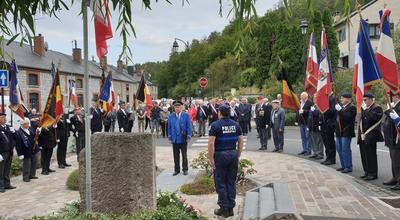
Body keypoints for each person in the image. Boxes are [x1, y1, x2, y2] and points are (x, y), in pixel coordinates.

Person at [208, 104, 244, 218]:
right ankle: (231, 208)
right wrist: (237, 155)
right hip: (233, 154)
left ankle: (224, 208)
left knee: (220, 182)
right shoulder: (236, 125)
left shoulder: (215, 125)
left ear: (220, 113)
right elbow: (241, 141)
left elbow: (211, 143)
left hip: (220, 155)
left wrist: (210, 158)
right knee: (231, 181)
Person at [358, 93, 383, 181]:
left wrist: (365, 110)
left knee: (371, 155)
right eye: (363, 100)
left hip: (371, 135)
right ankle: (367, 172)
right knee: (364, 155)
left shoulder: (377, 108)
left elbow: (373, 118)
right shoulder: (365, 108)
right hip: (363, 135)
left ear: (372, 99)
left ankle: (373, 173)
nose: (364, 102)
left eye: (366, 100)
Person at [168, 100, 192, 176]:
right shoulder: (171, 116)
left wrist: (188, 135)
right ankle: (176, 170)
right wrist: (169, 136)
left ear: (181, 108)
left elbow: (189, 126)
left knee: (184, 155)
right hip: (174, 139)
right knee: (175, 155)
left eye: (178, 107)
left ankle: (185, 169)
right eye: (175, 107)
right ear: (174, 108)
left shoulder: (186, 115)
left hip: (183, 138)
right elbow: (169, 127)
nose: (177, 108)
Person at [335, 93, 356, 174]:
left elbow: (347, 117)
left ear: (348, 99)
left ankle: (348, 166)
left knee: (345, 149)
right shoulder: (342, 107)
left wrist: (340, 110)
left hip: (346, 131)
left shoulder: (352, 107)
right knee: (339, 149)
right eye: (341, 98)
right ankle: (343, 165)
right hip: (339, 131)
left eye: (343, 98)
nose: (341, 100)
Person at [384, 93, 400, 190]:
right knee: (393, 160)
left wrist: (397, 117)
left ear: (397, 96)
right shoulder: (393, 106)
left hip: (397, 138)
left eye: (392, 96)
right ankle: (395, 177)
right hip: (391, 137)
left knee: (398, 161)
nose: (391, 97)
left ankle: (399, 180)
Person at [0, 113, 17, 192]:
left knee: (7, 169)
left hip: (9, 151)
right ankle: (1, 186)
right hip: (2, 152)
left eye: (5, 117)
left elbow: (14, 138)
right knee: (1, 170)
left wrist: (14, 132)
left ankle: (7, 184)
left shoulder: (8, 127)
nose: (4, 119)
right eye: (2, 117)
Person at [321, 93, 337, 166]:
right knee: (326, 141)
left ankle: (332, 159)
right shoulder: (326, 97)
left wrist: (324, 109)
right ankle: (328, 157)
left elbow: (333, 110)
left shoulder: (332, 98)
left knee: (330, 142)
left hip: (330, 123)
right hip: (324, 123)